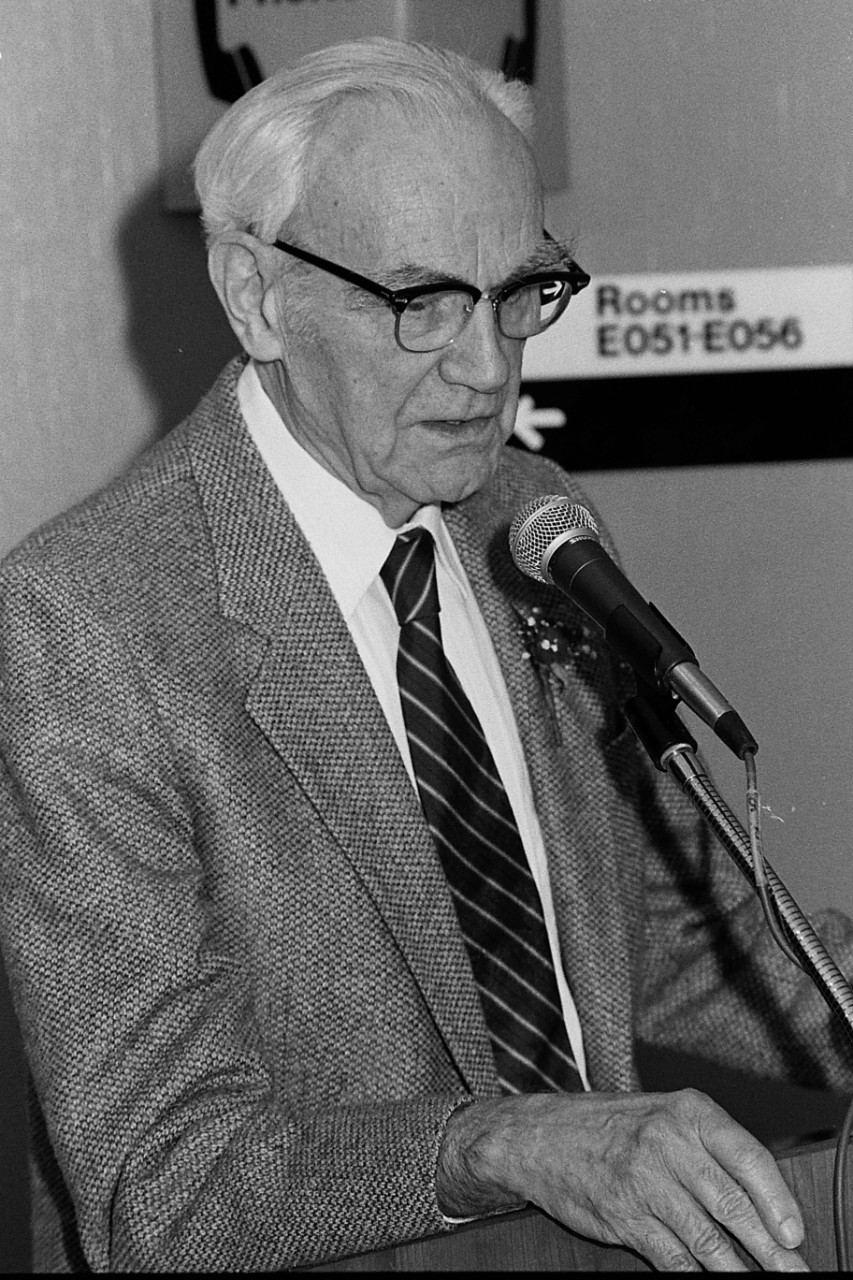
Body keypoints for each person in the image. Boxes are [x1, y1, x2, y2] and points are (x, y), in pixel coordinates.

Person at [0, 36, 850, 1274]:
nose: (490, 364)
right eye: (421, 301)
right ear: (255, 292)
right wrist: (500, 1143)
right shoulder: (89, 622)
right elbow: (163, 1185)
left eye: (521, 291)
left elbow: (661, 930)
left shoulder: (527, 514)